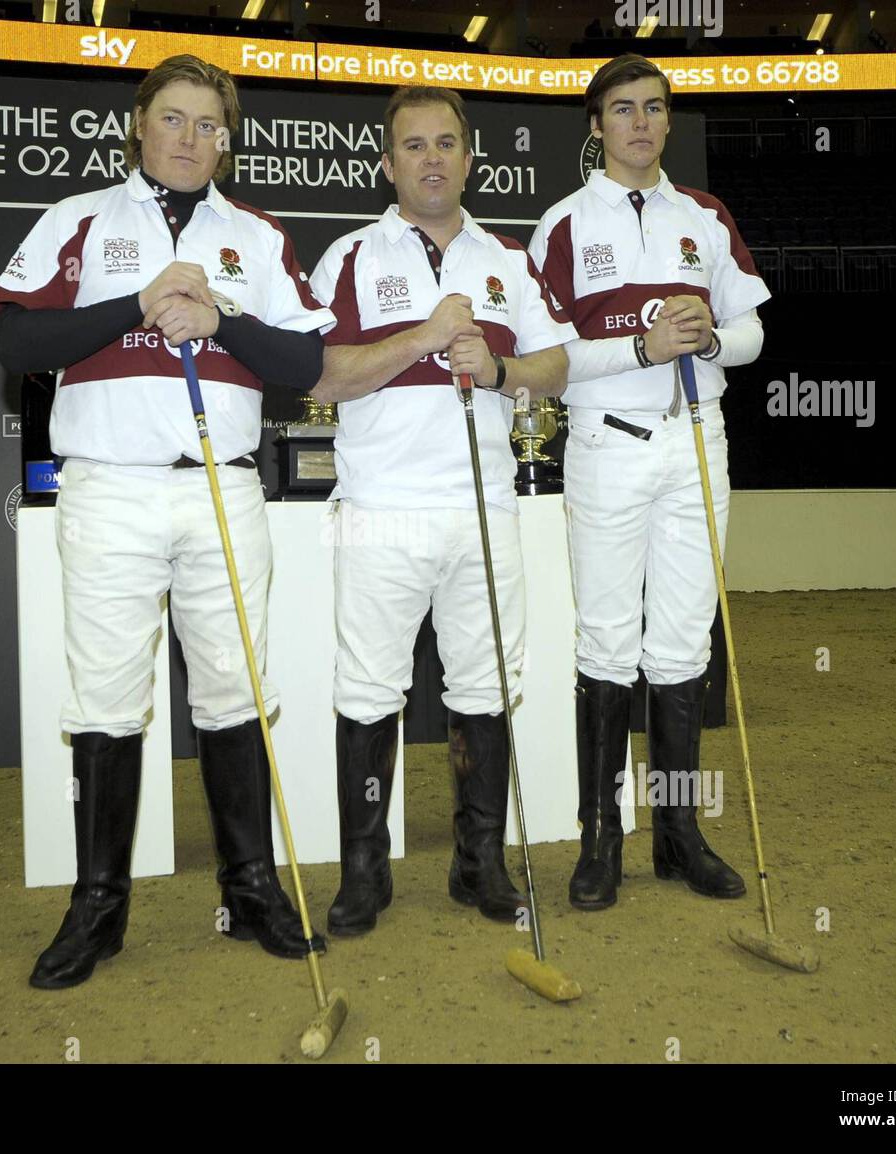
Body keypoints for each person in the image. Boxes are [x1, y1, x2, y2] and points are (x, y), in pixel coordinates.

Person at [0, 54, 334, 988]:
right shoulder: (81, 219)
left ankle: (251, 888)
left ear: (228, 138)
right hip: (111, 488)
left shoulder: (256, 237)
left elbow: (303, 363)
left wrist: (217, 318)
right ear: (139, 126)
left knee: (233, 691)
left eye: (209, 124)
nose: (190, 138)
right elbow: (18, 340)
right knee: (106, 699)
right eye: (173, 119)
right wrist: (140, 303)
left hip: (221, 486)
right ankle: (97, 908)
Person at [308, 86, 574, 937]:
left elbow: (558, 366)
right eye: (413, 146)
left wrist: (498, 369)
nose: (432, 159)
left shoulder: (507, 258)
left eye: (447, 144)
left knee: (485, 687)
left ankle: (479, 866)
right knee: (368, 690)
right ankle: (363, 873)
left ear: (469, 157)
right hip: (382, 509)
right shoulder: (349, 255)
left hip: (484, 509)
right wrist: (423, 337)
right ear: (387, 164)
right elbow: (323, 378)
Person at [529, 53, 770, 911]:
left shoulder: (704, 217)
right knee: (606, 644)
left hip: (699, 443)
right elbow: (548, 361)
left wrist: (707, 339)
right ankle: (603, 838)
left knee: (682, 647)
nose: (639, 122)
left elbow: (753, 337)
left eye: (654, 109)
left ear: (669, 122)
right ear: (596, 127)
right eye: (622, 109)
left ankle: (679, 834)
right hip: (609, 444)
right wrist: (640, 347)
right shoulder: (561, 225)